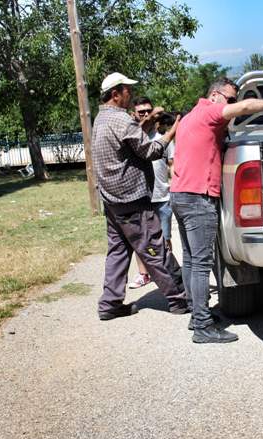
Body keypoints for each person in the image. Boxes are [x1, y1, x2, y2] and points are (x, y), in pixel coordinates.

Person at [171, 77, 263, 344]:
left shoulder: (191, 117)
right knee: (202, 263)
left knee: (192, 260)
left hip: (180, 195)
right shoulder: (210, 112)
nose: (233, 104)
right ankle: (203, 327)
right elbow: (247, 107)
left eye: (233, 100)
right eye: (230, 99)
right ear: (215, 95)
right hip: (198, 199)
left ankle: (197, 315)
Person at [92, 72, 186, 320]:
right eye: (127, 91)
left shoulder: (102, 119)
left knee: (118, 253)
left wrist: (148, 122)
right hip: (131, 201)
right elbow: (150, 150)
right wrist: (173, 130)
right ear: (115, 94)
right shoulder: (122, 120)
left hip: (113, 202)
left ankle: (109, 306)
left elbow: (130, 138)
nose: (130, 94)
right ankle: (179, 298)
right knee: (155, 248)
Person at [127, 97, 183, 293]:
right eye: (141, 112)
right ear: (134, 114)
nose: (144, 114)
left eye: (147, 110)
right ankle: (144, 274)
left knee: (164, 240)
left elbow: (172, 165)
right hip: (140, 197)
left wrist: (176, 184)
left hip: (161, 197)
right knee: (139, 240)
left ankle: (169, 276)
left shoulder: (163, 138)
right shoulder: (131, 137)